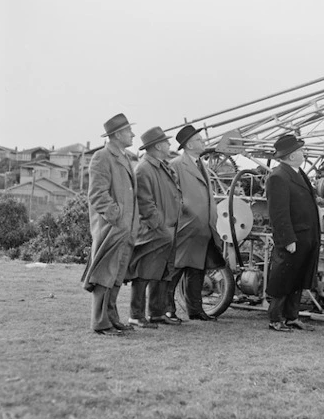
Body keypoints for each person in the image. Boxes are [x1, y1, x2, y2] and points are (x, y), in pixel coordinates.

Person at [81, 113, 139, 336]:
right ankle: (100, 322)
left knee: (116, 274)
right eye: (128, 131)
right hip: (112, 228)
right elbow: (97, 194)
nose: (132, 134)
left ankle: (112, 318)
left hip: (125, 228)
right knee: (104, 274)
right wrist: (115, 215)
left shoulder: (123, 157)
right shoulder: (102, 157)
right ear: (117, 134)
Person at [167, 124, 226, 321]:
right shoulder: (177, 165)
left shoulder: (202, 165)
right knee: (176, 269)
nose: (203, 142)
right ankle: (167, 309)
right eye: (200, 140)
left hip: (203, 227)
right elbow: (172, 195)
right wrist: (186, 213)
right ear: (190, 144)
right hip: (187, 227)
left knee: (197, 270)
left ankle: (196, 310)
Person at [126, 127, 183, 329]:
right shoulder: (144, 169)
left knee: (161, 272)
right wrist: (160, 225)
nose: (169, 145)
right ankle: (136, 315)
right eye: (166, 143)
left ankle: (156, 313)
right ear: (158, 146)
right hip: (154, 231)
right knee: (144, 273)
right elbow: (145, 203)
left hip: (166, 230)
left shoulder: (160, 166)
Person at [265, 134, 320, 332]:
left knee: (298, 277)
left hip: (306, 236)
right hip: (293, 237)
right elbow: (278, 213)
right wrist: (287, 238)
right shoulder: (278, 176)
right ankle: (276, 318)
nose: (302, 152)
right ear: (290, 156)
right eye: (299, 150)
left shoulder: (297, 173)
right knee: (284, 278)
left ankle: (291, 316)